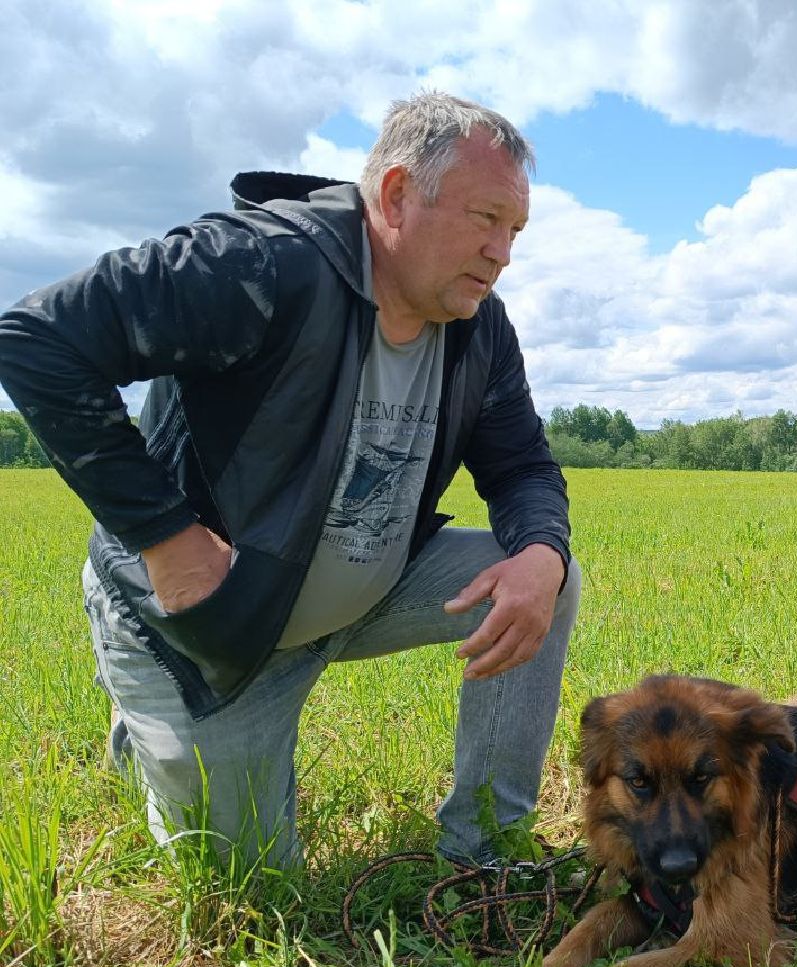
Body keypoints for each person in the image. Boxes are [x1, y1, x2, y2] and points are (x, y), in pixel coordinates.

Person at [0, 91, 580, 870]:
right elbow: (36, 339)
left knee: (547, 575)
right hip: (212, 626)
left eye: (515, 230)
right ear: (399, 193)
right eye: (485, 219)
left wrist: (543, 549)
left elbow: (520, 466)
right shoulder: (262, 263)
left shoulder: (478, 327)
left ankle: (484, 844)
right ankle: (155, 725)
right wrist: (164, 539)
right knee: (250, 889)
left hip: (359, 591)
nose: (503, 251)